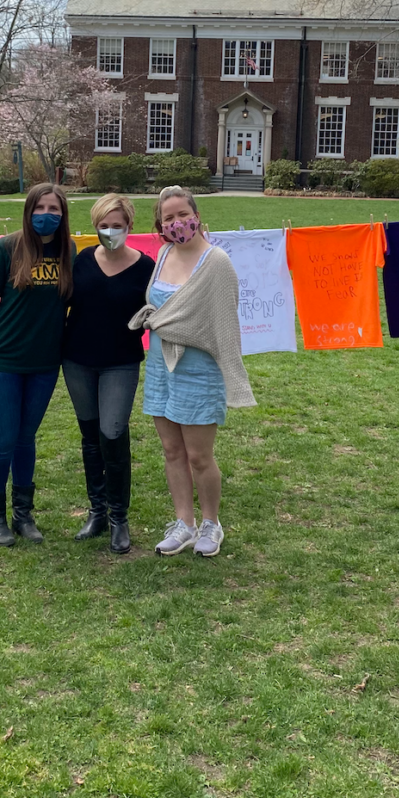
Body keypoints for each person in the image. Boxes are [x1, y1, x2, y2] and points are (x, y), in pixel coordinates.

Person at [129, 186, 256, 558]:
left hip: (200, 368)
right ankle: (184, 523)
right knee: (171, 451)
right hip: (160, 365)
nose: (176, 222)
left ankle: (211, 523)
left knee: (199, 456)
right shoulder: (164, 253)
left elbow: (224, 320)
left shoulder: (216, 261)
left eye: (182, 214)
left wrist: (181, 328)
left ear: (196, 216)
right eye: (168, 218)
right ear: (161, 226)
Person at [0, 183, 76, 546]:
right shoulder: (6, 248)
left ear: (63, 215)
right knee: (4, 440)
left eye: (55, 209)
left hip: (45, 363)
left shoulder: (67, 250)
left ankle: (23, 514)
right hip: (3, 360)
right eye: (41, 207)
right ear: (29, 210)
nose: (48, 214)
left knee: (26, 439)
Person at [63, 194, 156, 554]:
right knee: (90, 436)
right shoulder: (83, 260)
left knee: (112, 433)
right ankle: (97, 511)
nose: (110, 231)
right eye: (104, 225)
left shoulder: (145, 267)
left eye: (117, 225)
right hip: (77, 360)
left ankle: (120, 517)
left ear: (130, 227)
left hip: (120, 362)